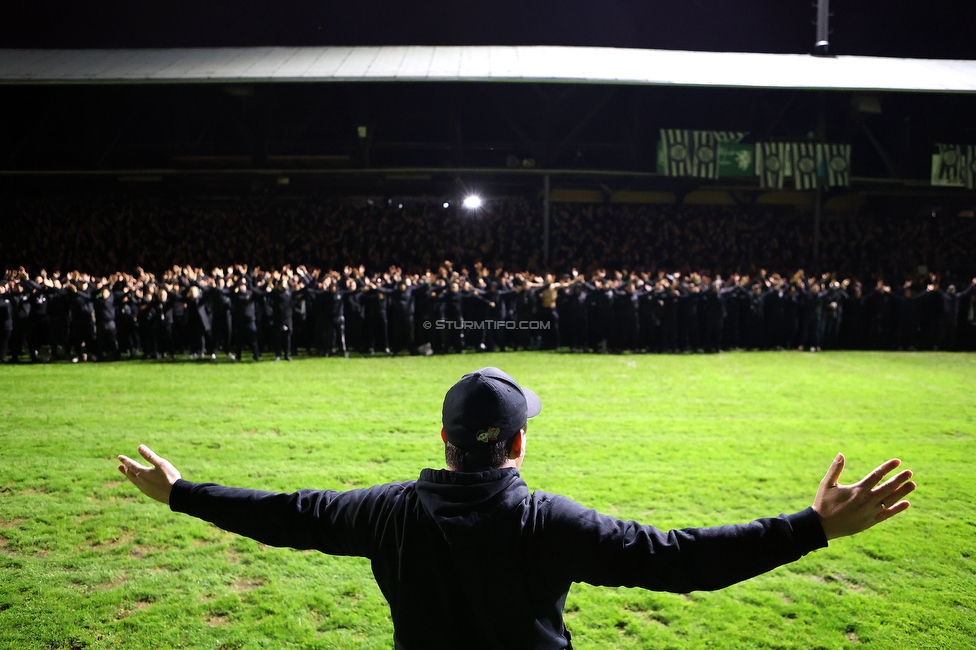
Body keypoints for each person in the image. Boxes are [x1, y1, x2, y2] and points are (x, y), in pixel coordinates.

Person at [117, 367, 916, 650]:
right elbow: (683, 562)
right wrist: (815, 526)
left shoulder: (382, 512)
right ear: (521, 445)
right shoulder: (551, 524)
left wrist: (184, 492)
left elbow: (284, 513)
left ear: (445, 438)